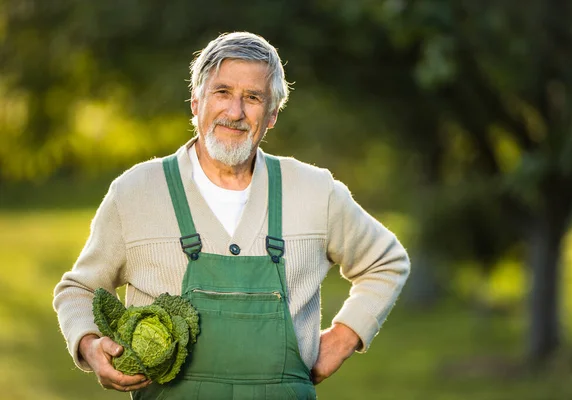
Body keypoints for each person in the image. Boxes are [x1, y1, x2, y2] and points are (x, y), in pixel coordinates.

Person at [53, 31, 410, 399]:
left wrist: (344, 337)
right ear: (196, 101)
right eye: (222, 92)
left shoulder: (315, 191)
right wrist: (89, 345)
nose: (235, 112)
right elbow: (79, 289)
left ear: (271, 115)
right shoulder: (136, 192)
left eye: (252, 98)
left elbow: (387, 262)